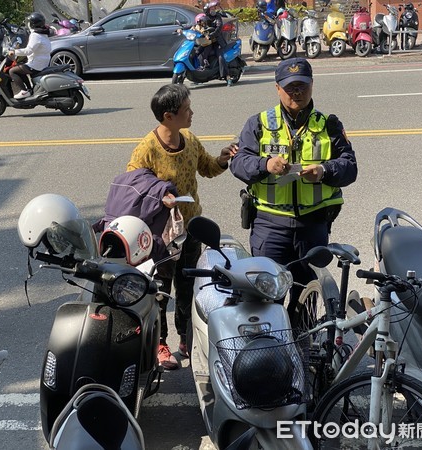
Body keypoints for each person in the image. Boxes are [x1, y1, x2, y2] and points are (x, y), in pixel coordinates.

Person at [230, 57, 357, 312]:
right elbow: (239, 163)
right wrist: (265, 165)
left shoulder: (329, 124)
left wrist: (323, 170)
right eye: (290, 87)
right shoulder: (259, 123)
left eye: (302, 86)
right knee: (267, 296)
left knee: (307, 294)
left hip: (313, 225)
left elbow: (350, 167)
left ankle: (303, 343)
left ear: (312, 85)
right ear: (277, 88)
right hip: (270, 225)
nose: (296, 92)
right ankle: (273, 344)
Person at [127, 84, 238, 370]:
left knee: (189, 288)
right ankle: (159, 343)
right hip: (162, 236)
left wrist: (223, 159)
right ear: (168, 116)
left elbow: (208, 168)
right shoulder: (147, 150)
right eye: (187, 109)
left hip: (191, 231)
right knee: (161, 290)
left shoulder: (188, 139)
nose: (192, 113)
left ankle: (186, 338)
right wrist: (158, 196)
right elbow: (132, 188)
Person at [7, 12, 52, 100]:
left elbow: (28, 50)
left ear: (32, 24)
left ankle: (24, 91)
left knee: (12, 71)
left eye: (29, 22)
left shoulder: (36, 35)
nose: (27, 24)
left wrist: (14, 51)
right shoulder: (42, 33)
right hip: (42, 62)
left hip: (36, 64)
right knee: (19, 67)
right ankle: (29, 89)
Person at [203, 2, 231, 86]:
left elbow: (218, 29)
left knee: (220, 57)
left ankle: (227, 77)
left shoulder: (218, 17)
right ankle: (200, 76)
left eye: (214, 8)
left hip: (217, 41)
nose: (213, 10)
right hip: (208, 42)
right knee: (200, 54)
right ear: (207, 10)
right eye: (211, 9)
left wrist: (210, 35)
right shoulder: (204, 18)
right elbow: (197, 26)